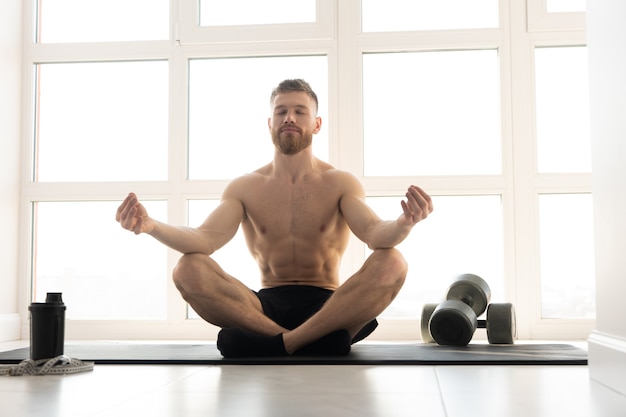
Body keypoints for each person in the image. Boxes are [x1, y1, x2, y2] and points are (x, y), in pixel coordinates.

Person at [116, 79, 433, 357]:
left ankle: (276, 344)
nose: (289, 118)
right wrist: (151, 226)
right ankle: (304, 342)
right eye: (281, 112)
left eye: (299, 111)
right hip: (263, 307)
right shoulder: (245, 186)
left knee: (393, 262)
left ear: (317, 124)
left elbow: (375, 232)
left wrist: (404, 223)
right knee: (187, 268)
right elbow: (204, 239)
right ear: (270, 123)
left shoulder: (340, 182)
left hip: (330, 306)